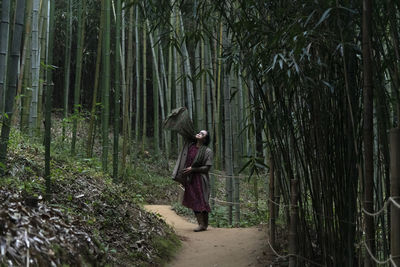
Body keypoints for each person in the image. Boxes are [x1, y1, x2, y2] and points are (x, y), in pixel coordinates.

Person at [163, 107, 213, 232]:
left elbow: (207, 168)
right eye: (199, 132)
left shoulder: (207, 151)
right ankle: (202, 224)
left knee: (202, 201)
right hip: (190, 179)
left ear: (205, 139)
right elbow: (184, 129)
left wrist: (193, 169)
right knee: (194, 201)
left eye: (202, 134)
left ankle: (204, 224)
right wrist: (180, 115)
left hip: (200, 179)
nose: (199, 134)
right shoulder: (190, 145)